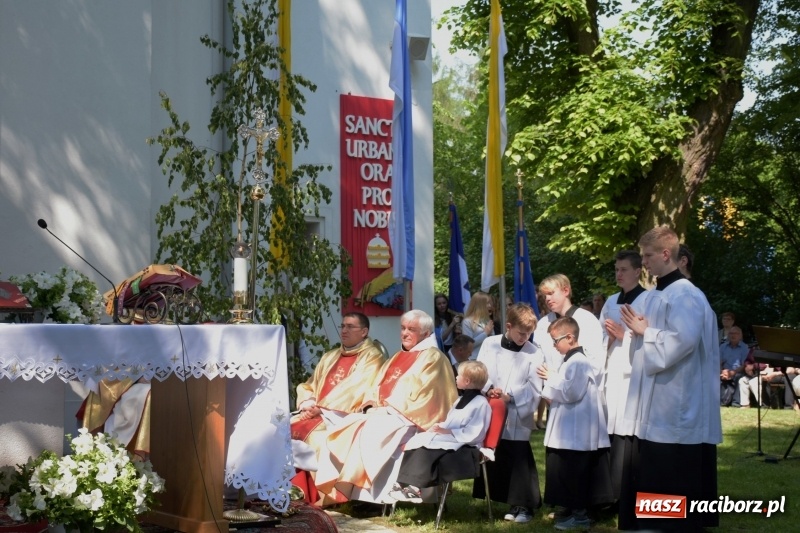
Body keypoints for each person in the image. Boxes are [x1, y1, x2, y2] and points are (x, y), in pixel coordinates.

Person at [619, 226, 721, 531]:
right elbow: (637, 339)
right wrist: (635, 334)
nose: (644, 262)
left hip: (676, 400)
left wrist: (645, 333)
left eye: (648, 256)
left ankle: (670, 523)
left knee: (671, 467)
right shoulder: (653, 296)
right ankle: (652, 520)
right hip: (650, 399)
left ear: (666, 254)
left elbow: (683, 341)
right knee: (651, 464)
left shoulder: (687, 295)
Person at [314, 309, 458, 504]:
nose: (405, 333)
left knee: (368, 433)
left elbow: (429, 396)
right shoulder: (398, 355)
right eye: (403, 328)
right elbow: (378, 385)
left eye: (411, 329)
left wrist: (386, 407)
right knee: (345, 428)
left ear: (425, 333)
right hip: (386, 413)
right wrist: (372, 401)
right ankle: (349, 493)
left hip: (413, 418)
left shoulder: (434, 358)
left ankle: (370, 500)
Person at [289, 312, 386, 504]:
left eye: (351, 327)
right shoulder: (331, 356)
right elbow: (311, 384)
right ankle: (288, 490)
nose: (344, 330)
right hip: (317, 412)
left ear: (364, 331)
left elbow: (355, 389)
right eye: (343, 326)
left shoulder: (372, 357)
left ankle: (319, 494)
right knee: (283, 428)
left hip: (343, 417)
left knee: (318, 440)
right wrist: (307, 402)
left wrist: (321, 409)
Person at [538, 317, 613, 530]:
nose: (554, 345)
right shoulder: (570, 361)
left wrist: (551, 378)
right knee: (567, 470)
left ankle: (580, 516)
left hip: (577, 429)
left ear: (570, 337)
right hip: (569, 427)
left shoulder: (579, 361)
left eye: (556, 340)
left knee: (577, 473)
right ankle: (570, 509)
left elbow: (572, 392)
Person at [473, 303, 544, 524]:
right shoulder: (490, 344)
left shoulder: (534, 352)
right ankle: (506, 501)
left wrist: (511, 396)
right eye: (521, 333)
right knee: (496, 452)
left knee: (518, 456)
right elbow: (481, 370)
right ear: (509, 326)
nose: (525, 338)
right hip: (493, 407)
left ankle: (524, 505)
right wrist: (489, 388)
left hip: (516, 413)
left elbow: (535, 386)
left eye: (529, 334)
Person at [389, 360, 492, 502]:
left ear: (467, 381)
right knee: (418, 441)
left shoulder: (481, 403)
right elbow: (451, 422)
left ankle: (416, 488)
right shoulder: (460, 400)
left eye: (459, 376)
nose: (456, 378)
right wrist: (440, 427)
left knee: (428, 449)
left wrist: (449, 432)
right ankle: (401, 483)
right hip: (451, 439)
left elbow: (475, 432)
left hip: (466, 445)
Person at [597, 250, 651, 501]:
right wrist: (608, 339)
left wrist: (624, 336)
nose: (618, 274)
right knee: (610, 430)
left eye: (624, 270)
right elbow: (599, 339)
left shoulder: (649, 300)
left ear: (638, 271)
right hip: (612, 374)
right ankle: (608, 492)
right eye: (616, 269)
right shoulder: (610, 301)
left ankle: (628, 493)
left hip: (632, 377)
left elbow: (652, 337)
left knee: (628, 433)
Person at [534, 274, 605, 429]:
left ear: (566, 290)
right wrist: (548, 391)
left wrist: (570, 388)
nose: (547, 299)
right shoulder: (542, 325)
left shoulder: (586, 320)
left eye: (551, 293)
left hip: (582, 399)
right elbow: (540, 362)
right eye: (544, 295)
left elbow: (595, 363)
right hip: (554, 397)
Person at [462, 292, 495, 360]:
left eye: (490, 303)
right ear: (480, 305)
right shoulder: (467, 322)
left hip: (489, 358)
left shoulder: (487, 320)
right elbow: (468, 345)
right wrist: (485, 333)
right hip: (474, 360)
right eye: (487, 303)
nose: (490, 306)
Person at [719, 326, 748, 406]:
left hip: (738, 371)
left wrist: (732, 372)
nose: (733, 335)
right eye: (731, 333)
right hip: (724, 371)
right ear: (728, 335)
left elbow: (744, 365)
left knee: (739, 377)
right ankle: (718, 401)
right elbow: (718, 362)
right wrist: (722, 371)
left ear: (740, 336)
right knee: (713, 376)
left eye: (736, 333)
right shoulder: (722, 347)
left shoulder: (745, 348)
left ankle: (735, 402)